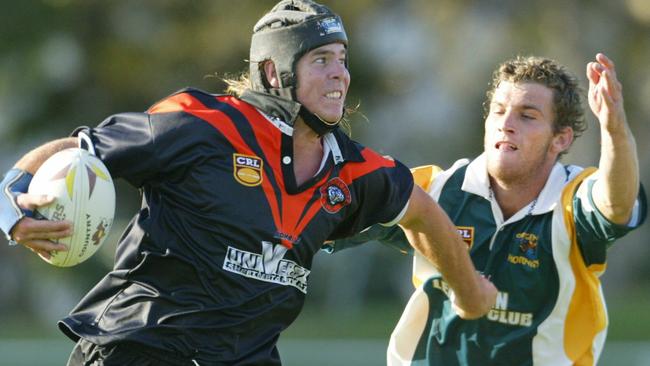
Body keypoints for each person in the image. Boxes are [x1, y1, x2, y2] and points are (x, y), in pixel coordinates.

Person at [0, 1, 496, 365]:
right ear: (272, 72)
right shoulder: (199, 123)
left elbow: (422, 212)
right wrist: (12, 201)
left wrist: (469, 291)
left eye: (342, 59)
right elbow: (81, 150)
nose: (340, 74)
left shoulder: (355, 171)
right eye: (321, 60)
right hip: (137, 349)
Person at [330, 54, 647, 365]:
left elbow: (615, 205)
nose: (506, 124)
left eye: (527, 115)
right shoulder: (438, 190)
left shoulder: (572, 199)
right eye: (498, 111)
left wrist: (615, 129)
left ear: (560, 139)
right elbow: (329, 218)